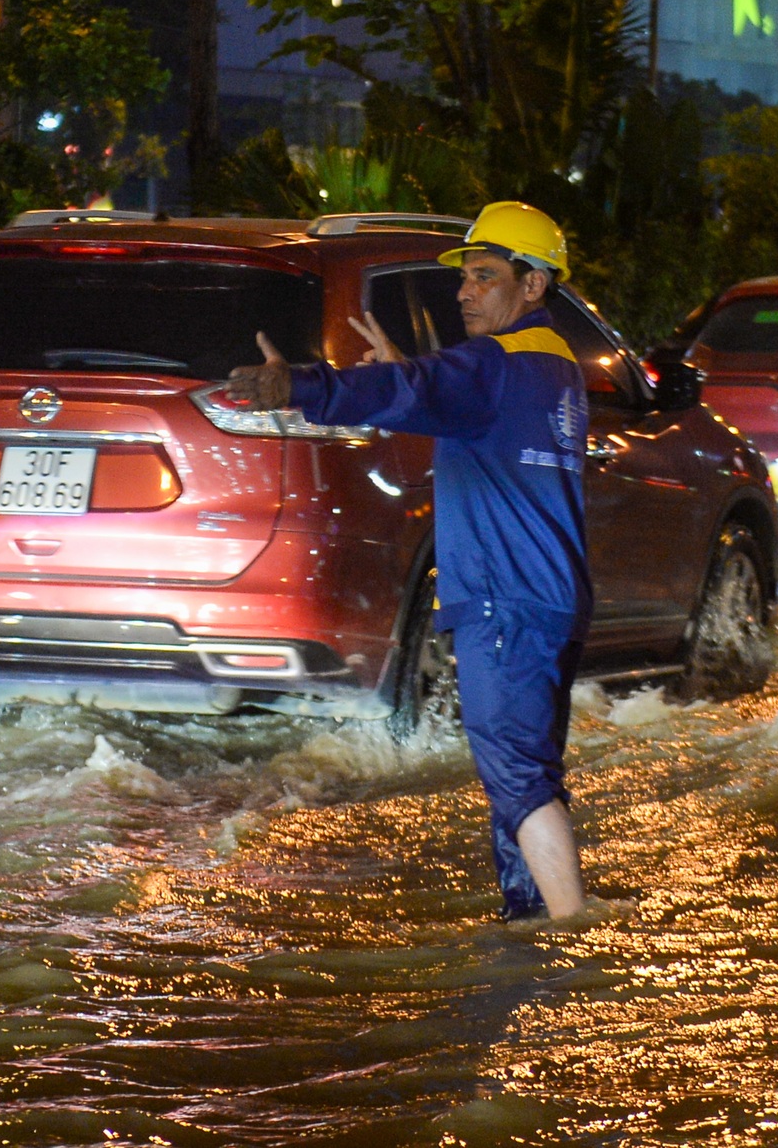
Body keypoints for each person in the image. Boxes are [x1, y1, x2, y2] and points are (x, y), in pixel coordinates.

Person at [226, 201, 591, 921]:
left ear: (533, 284)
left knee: (516, 778)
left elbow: (417, 390)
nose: (464, 291)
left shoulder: (493, 363)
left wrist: (301, 387)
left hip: (503, 603)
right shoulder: (554, 363)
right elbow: (441, 400)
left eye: (484, 276)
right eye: (465, 277)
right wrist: (408, 378)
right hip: (550, 599)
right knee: (528, 774)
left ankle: (574, 933)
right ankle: (531, 922)